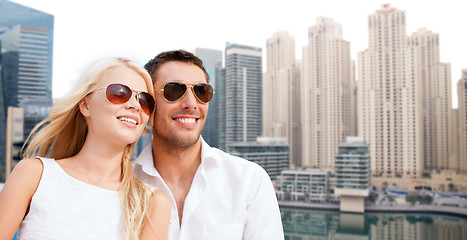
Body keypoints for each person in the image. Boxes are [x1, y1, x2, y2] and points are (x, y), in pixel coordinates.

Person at [0, 57, 171, 240]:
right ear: (85, 105)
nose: (135, 105)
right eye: (119, 93)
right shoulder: (34, 175)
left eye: (144, 101)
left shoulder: (152, 203)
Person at [134, 50, 284, 239]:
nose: (191, 104)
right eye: (174, 90)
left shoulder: (249, 181)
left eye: (201, 91)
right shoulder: (122, 185)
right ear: (147, 102)